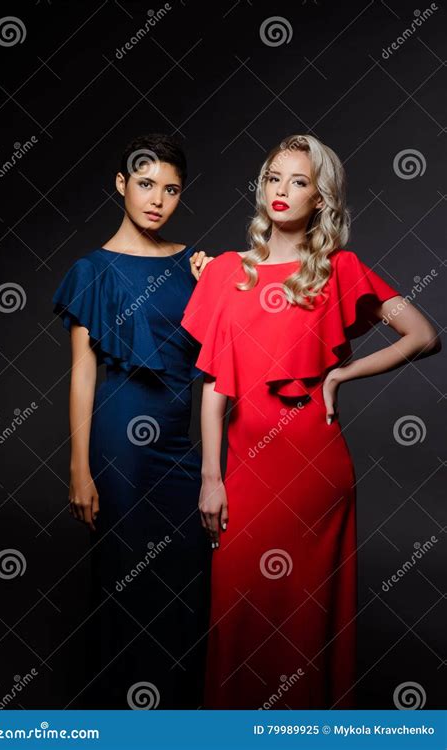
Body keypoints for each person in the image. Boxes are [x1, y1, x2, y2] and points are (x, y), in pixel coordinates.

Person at [181, 133, 441, 709]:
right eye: (274, 177)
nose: (282, 190)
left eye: (299, 181)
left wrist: (339, 376)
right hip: (245, 473)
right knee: (238, 611)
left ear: (319, 199)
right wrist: (210, 475)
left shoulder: (339, 269)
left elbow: (424, 334)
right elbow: (216, 386)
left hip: (313, 473)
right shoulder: (228, 271)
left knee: (303, 621)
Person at [52, 133, 213, 709]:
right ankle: (123, 718)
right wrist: (78, 467)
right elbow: (82, 374)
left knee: (186, 579)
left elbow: (229, 353)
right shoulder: (91, 270)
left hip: (177, 443)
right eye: (145, 185)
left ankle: (176, 713)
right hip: (118, 446)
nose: (157, 200)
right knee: (125, 579)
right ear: (121, 185)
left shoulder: (194, 263)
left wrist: (218, 283)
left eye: (170, 189)